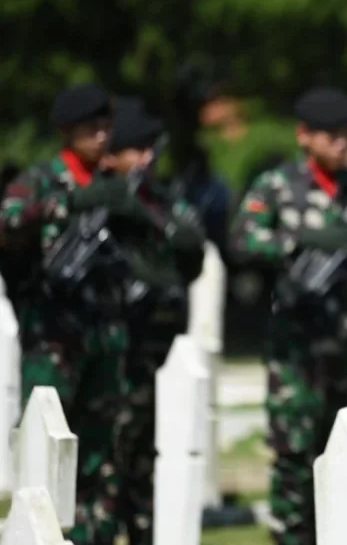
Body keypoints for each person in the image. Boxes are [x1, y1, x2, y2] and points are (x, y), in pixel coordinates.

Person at [229, 88, 347, 545]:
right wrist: (302, 242)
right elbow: (243, 241)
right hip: (296, 349)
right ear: (305, 136)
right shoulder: (278, 185)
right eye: (337, 137)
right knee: (293, 456)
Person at [1, 85, 146, 545]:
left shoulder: (118, 180)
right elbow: (10, 219)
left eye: (107, 126)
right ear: (67, 132)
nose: (103, 135)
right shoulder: (41, 179)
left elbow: (162, 237)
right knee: (47, 450)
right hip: (54, 341)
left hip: (107, 338)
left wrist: (138, 212)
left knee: (102, 457)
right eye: (92, 128)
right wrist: (68, 206)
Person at [105, 101, 206, 545]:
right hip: (108, 347)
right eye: (135, 149)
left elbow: (191, 261)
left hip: (157, 346)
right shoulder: (102, 200)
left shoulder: (164, 202)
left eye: (151, 148)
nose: (146, 158)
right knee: (109, 454)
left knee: (149, 452)